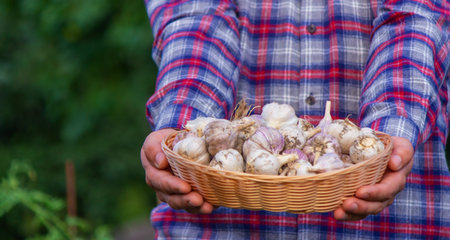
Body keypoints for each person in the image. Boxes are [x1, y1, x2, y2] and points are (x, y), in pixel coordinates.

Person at [141, 0, 450, 238]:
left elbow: (417, 17)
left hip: (394, 224)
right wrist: (184, 134)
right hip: (219, 220)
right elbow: (196, 17)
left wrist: (386, 142)